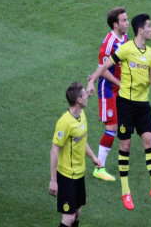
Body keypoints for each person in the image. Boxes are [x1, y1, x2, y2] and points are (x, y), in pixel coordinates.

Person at [87, 13, 151, 211]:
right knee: (125, 145)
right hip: (125, 104)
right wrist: (92, 81)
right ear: (141, 29)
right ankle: (126, 192)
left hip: (143, 105)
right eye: (149, 26)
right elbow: (104, 65)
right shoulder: (126, 48)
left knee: (148, 140)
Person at [93, 7, 151, 183]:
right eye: (124, 20)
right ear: (115, 24)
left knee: (139, 122)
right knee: (112, 127)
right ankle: (99, 168)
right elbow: (102, 69)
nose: (127, 23)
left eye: (127, 20)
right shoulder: (109, 43)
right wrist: (116, 82)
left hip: (123, 89)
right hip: (108, 89)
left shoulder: (126, 39)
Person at [49, 82, 101, 227]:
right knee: (69, 217)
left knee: (77, 212)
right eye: (85, 95)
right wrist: (53, 180)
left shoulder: (81, 114)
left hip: (79, 173)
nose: (87, 97)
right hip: (66, 176)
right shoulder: (64, 122)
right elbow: (54, 150)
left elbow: (81, 140)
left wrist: (93, 157)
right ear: (78, 100)